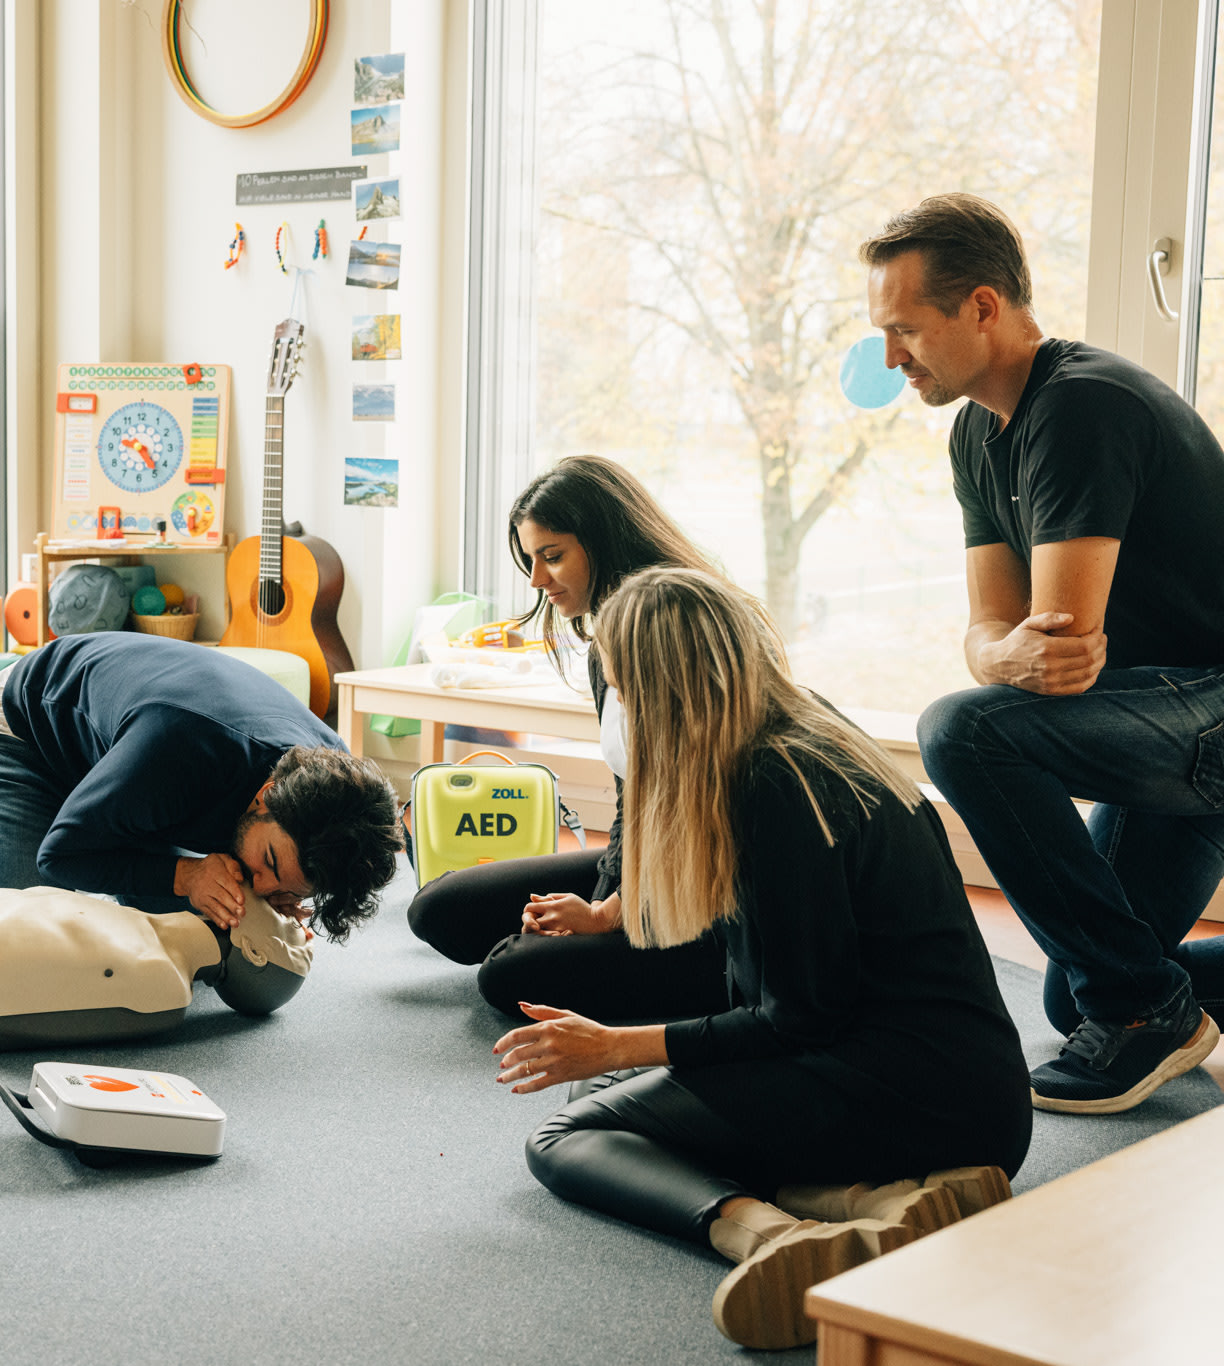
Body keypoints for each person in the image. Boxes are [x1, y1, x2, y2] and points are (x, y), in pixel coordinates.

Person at [508, 567, 1031, 1352]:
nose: (616, 707)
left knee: (568, 1135)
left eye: (619, 686)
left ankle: (769, 1236)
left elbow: (798, 1018)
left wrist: (617, 1041)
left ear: (661, 691)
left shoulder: (773, 789)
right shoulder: (807, 735)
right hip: (971, 1089)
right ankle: (874, 1203)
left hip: (910, 1095)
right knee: (637, 1090)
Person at [868, 193, 1224, 1113]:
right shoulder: (975, 438)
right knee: (1076, 994)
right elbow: (995, 633)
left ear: (982, 307)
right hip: (1167, 717)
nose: (889, 357)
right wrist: (997, 656)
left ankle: (1151, 1014)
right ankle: (1151, 999)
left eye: (906, 329)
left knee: (963, 732)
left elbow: (1058, 650)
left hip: (1210, 712)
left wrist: (999, 659)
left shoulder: (1081, 406)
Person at [408, 455, 732, 1020]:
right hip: (640, 867)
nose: (536, 580)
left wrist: (608, 914)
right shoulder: (605, 641)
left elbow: (698, 822)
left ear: (606, 541)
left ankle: (707, 979)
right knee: (439, 909)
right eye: (531, 559)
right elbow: (633, 800)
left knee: (509, 975)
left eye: (552, 557)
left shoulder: (675, 635)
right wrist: (602, 894)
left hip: (707, 891)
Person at [0, 631, 403, 943]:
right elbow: (62, 855)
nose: (259, 887)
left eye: (286, 887)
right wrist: (187, 875)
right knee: (17, 939)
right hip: (25, 726)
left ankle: (109, 811)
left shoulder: (336, 781)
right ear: (266, 797)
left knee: (200, 936)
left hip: (135, 771)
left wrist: (282, 894)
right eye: (267, 864)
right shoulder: (180, 748)